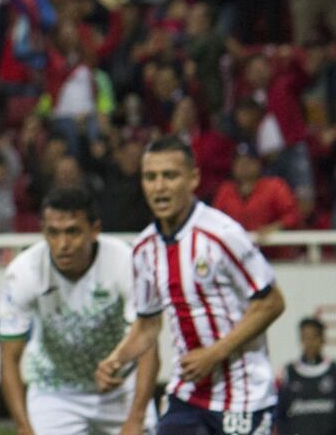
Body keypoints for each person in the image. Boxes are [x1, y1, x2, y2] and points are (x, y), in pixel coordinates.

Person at [97, 136, 286, 435]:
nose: (159, 187)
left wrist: (215, 353)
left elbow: (272, 302)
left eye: (169, 176)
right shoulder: (144, 248)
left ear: (193, 179)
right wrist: (116, 359)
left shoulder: (222, 234)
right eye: (151, 177)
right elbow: (147, 326)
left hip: (243, 396)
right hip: (187, 395)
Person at [0, 187, 158, 435]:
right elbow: (9, 358)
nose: (63, 244)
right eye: (53, 233)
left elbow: (148, 345)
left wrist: (136, 419)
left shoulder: (126, 262)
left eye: (72, 232)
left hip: (121, 387)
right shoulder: (23, 272)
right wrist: (23, 427)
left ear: (94, 230)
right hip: (54, 389)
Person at [276, 318, 336, 435]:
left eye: (313, 337)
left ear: (322, 339)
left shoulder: (333, 371)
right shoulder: (288, 372)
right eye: (305, 338)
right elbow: (280, 415)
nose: (309, 343)